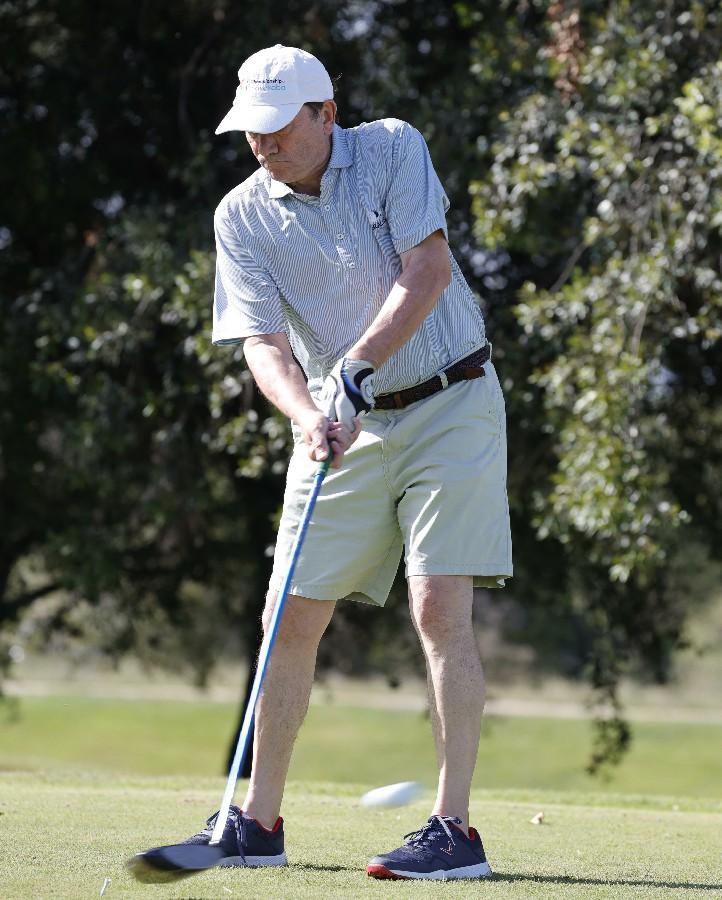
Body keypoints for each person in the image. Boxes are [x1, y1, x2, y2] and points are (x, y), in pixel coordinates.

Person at [197, 44, 512, 881]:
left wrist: (355, 369)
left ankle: (454, 831)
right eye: (251, 129)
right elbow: (263, 344)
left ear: (325, 113)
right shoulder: (240, 216)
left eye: (277, 126)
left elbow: (428, 269)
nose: (262, 143)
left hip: (451, 400)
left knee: (438, 607)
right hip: (341, 423)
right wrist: (307, 415)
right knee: (287, 616)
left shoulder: (392, 148)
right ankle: (258, 823)